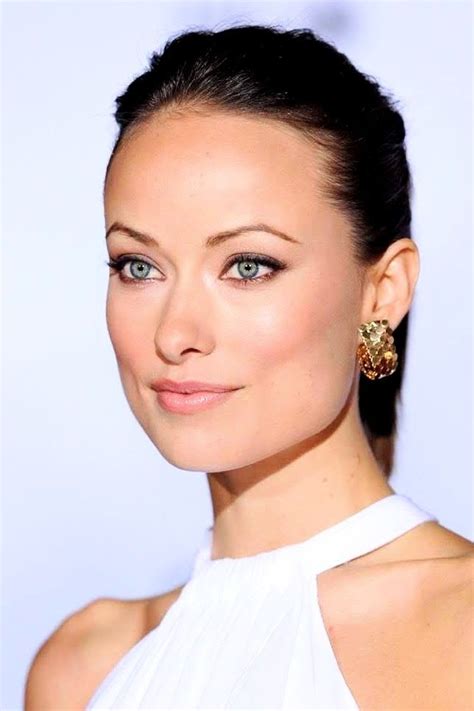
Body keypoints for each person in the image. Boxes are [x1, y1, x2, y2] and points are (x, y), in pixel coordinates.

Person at [25, 24, 473, 710]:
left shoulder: (458, 627)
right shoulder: (80, 666)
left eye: (248, 265)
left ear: (382, 291)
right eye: (138, 265)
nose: (176, 332)